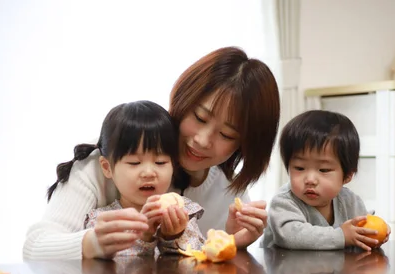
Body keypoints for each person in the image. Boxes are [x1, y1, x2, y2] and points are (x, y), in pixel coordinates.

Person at [23, 46, 280, 260]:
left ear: (244, 146)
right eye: (200, 117)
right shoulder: (106, 159)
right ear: (183, 99)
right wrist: (92, 244)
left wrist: (236, 244)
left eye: (226, 135)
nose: (202, 141)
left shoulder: (228, 189)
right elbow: (35, 246)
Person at [80, 100, 205, 258]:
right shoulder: (104, 220)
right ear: (107, 167)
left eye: (160, 162)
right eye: (134, 163)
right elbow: (112, 266)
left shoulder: (182, 211)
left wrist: (172, 237)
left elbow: (199, 256)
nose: (148, 173)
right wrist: (144, 237)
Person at [262, 110, 390, 251]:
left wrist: (376, 230)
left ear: (347, 176)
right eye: (299, 168)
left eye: (323, 170)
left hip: (332, 271)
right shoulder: (284, 202)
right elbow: (289, 235)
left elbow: (362, 222)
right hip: (287, 270)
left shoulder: (349, 201)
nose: (310, 179)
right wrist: (341, 235)